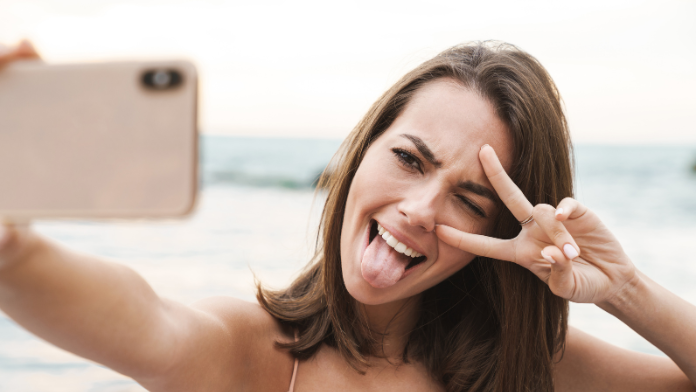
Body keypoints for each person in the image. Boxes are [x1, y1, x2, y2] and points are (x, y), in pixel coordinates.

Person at [0, 39, 695, 392]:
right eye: (412, 160)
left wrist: (627, 289)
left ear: (499, 234)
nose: (420, 210)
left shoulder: (523, 367)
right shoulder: (254, 351)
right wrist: (13, 249)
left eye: (470, 200)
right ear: (361, 153)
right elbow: (144, 321)